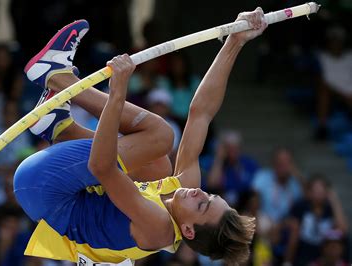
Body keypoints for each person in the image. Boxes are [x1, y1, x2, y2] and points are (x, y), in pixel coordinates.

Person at [14, 9, 267, 265]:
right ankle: (59, 128)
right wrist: (235, 42)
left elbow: (101, 167)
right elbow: (200, 113)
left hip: (44, 187)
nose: (199, 194)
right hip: (57, 191)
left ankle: (56, 76)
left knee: (161, 135)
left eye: (202, 205)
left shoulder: (158, 228)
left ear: (188, 230)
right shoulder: (185, 194)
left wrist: (118, 93)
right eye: (210, 196)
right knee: (158, 164)